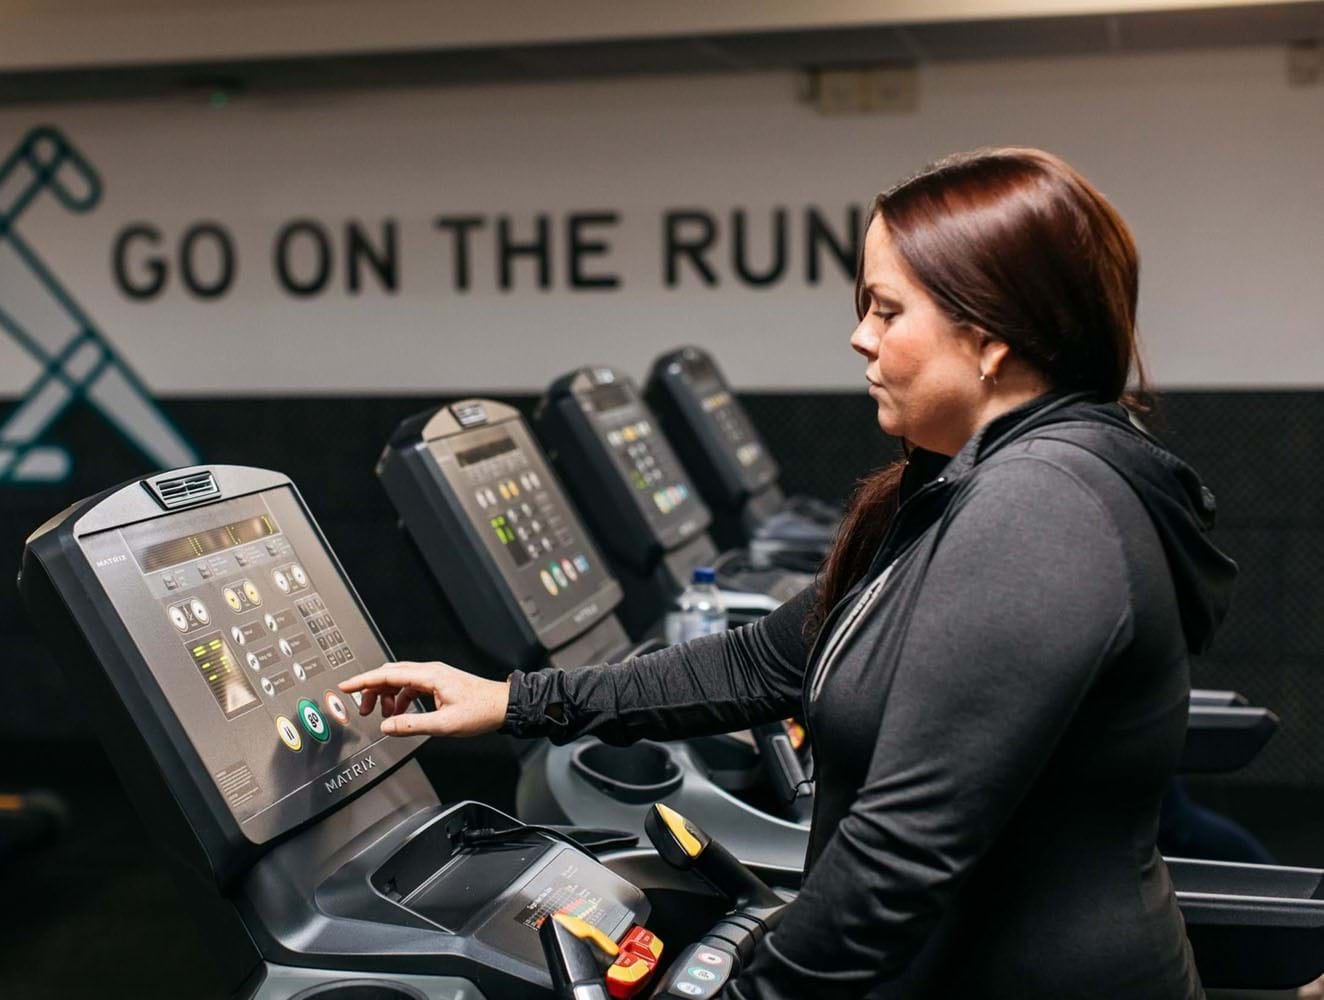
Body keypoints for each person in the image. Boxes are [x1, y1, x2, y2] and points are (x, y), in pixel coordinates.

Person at [341, 148, 1238, 998]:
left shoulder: (1037, 508)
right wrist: (515, 701)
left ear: (991, 339)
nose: (859, 337)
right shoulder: (963, 486)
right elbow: (764, 663)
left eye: (887, 311)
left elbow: (899, 854)